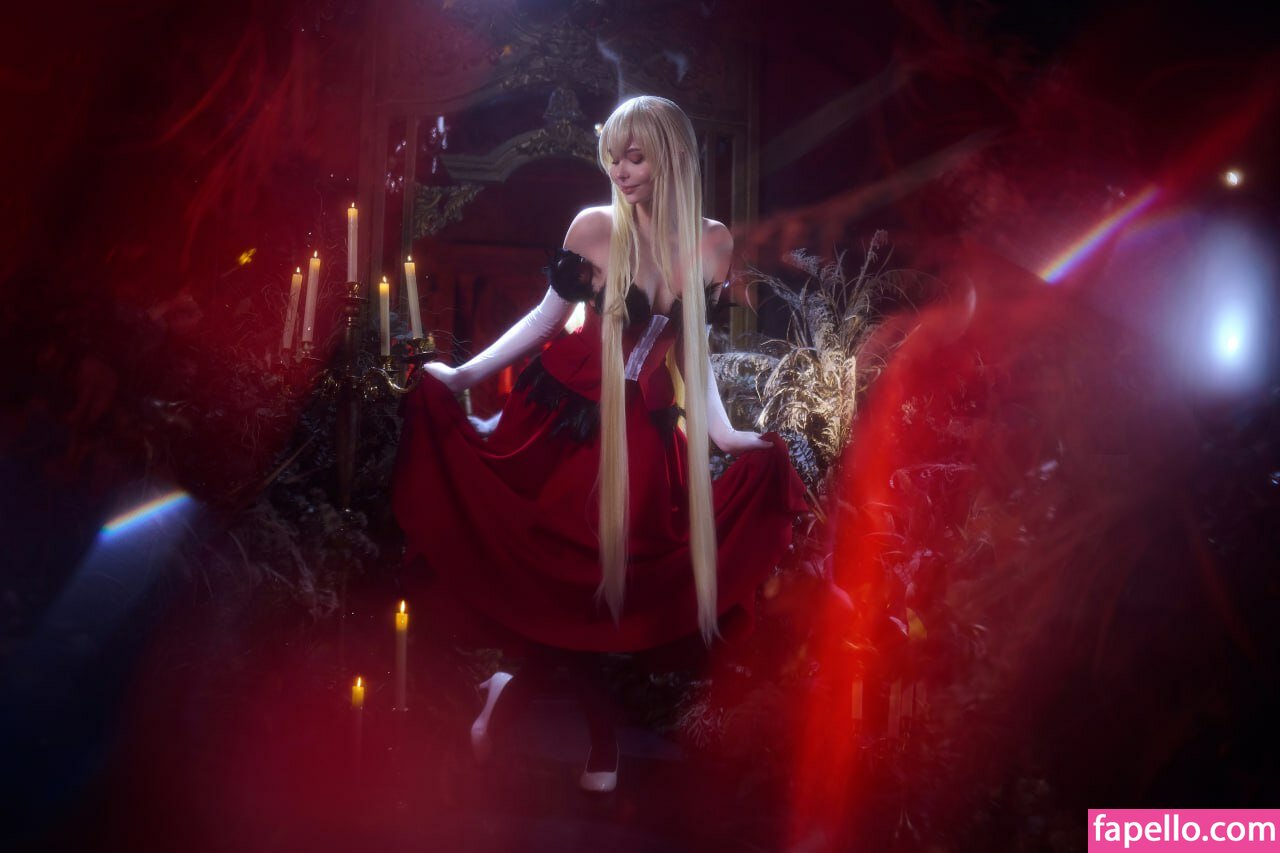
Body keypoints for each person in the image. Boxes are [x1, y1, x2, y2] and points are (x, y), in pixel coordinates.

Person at [391, 95, 807, 791]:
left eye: (635, 157)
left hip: (642, 433)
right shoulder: (592, 227)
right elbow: (546, 319)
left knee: (612, 589)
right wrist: (463, 375)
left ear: (671, 157)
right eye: (612, 156)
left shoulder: (711, 242)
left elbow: (693, 350)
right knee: (562, 577)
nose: (619, 170)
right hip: (565, 419)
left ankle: (508, 690)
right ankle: (601, 736)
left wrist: (724, 433)